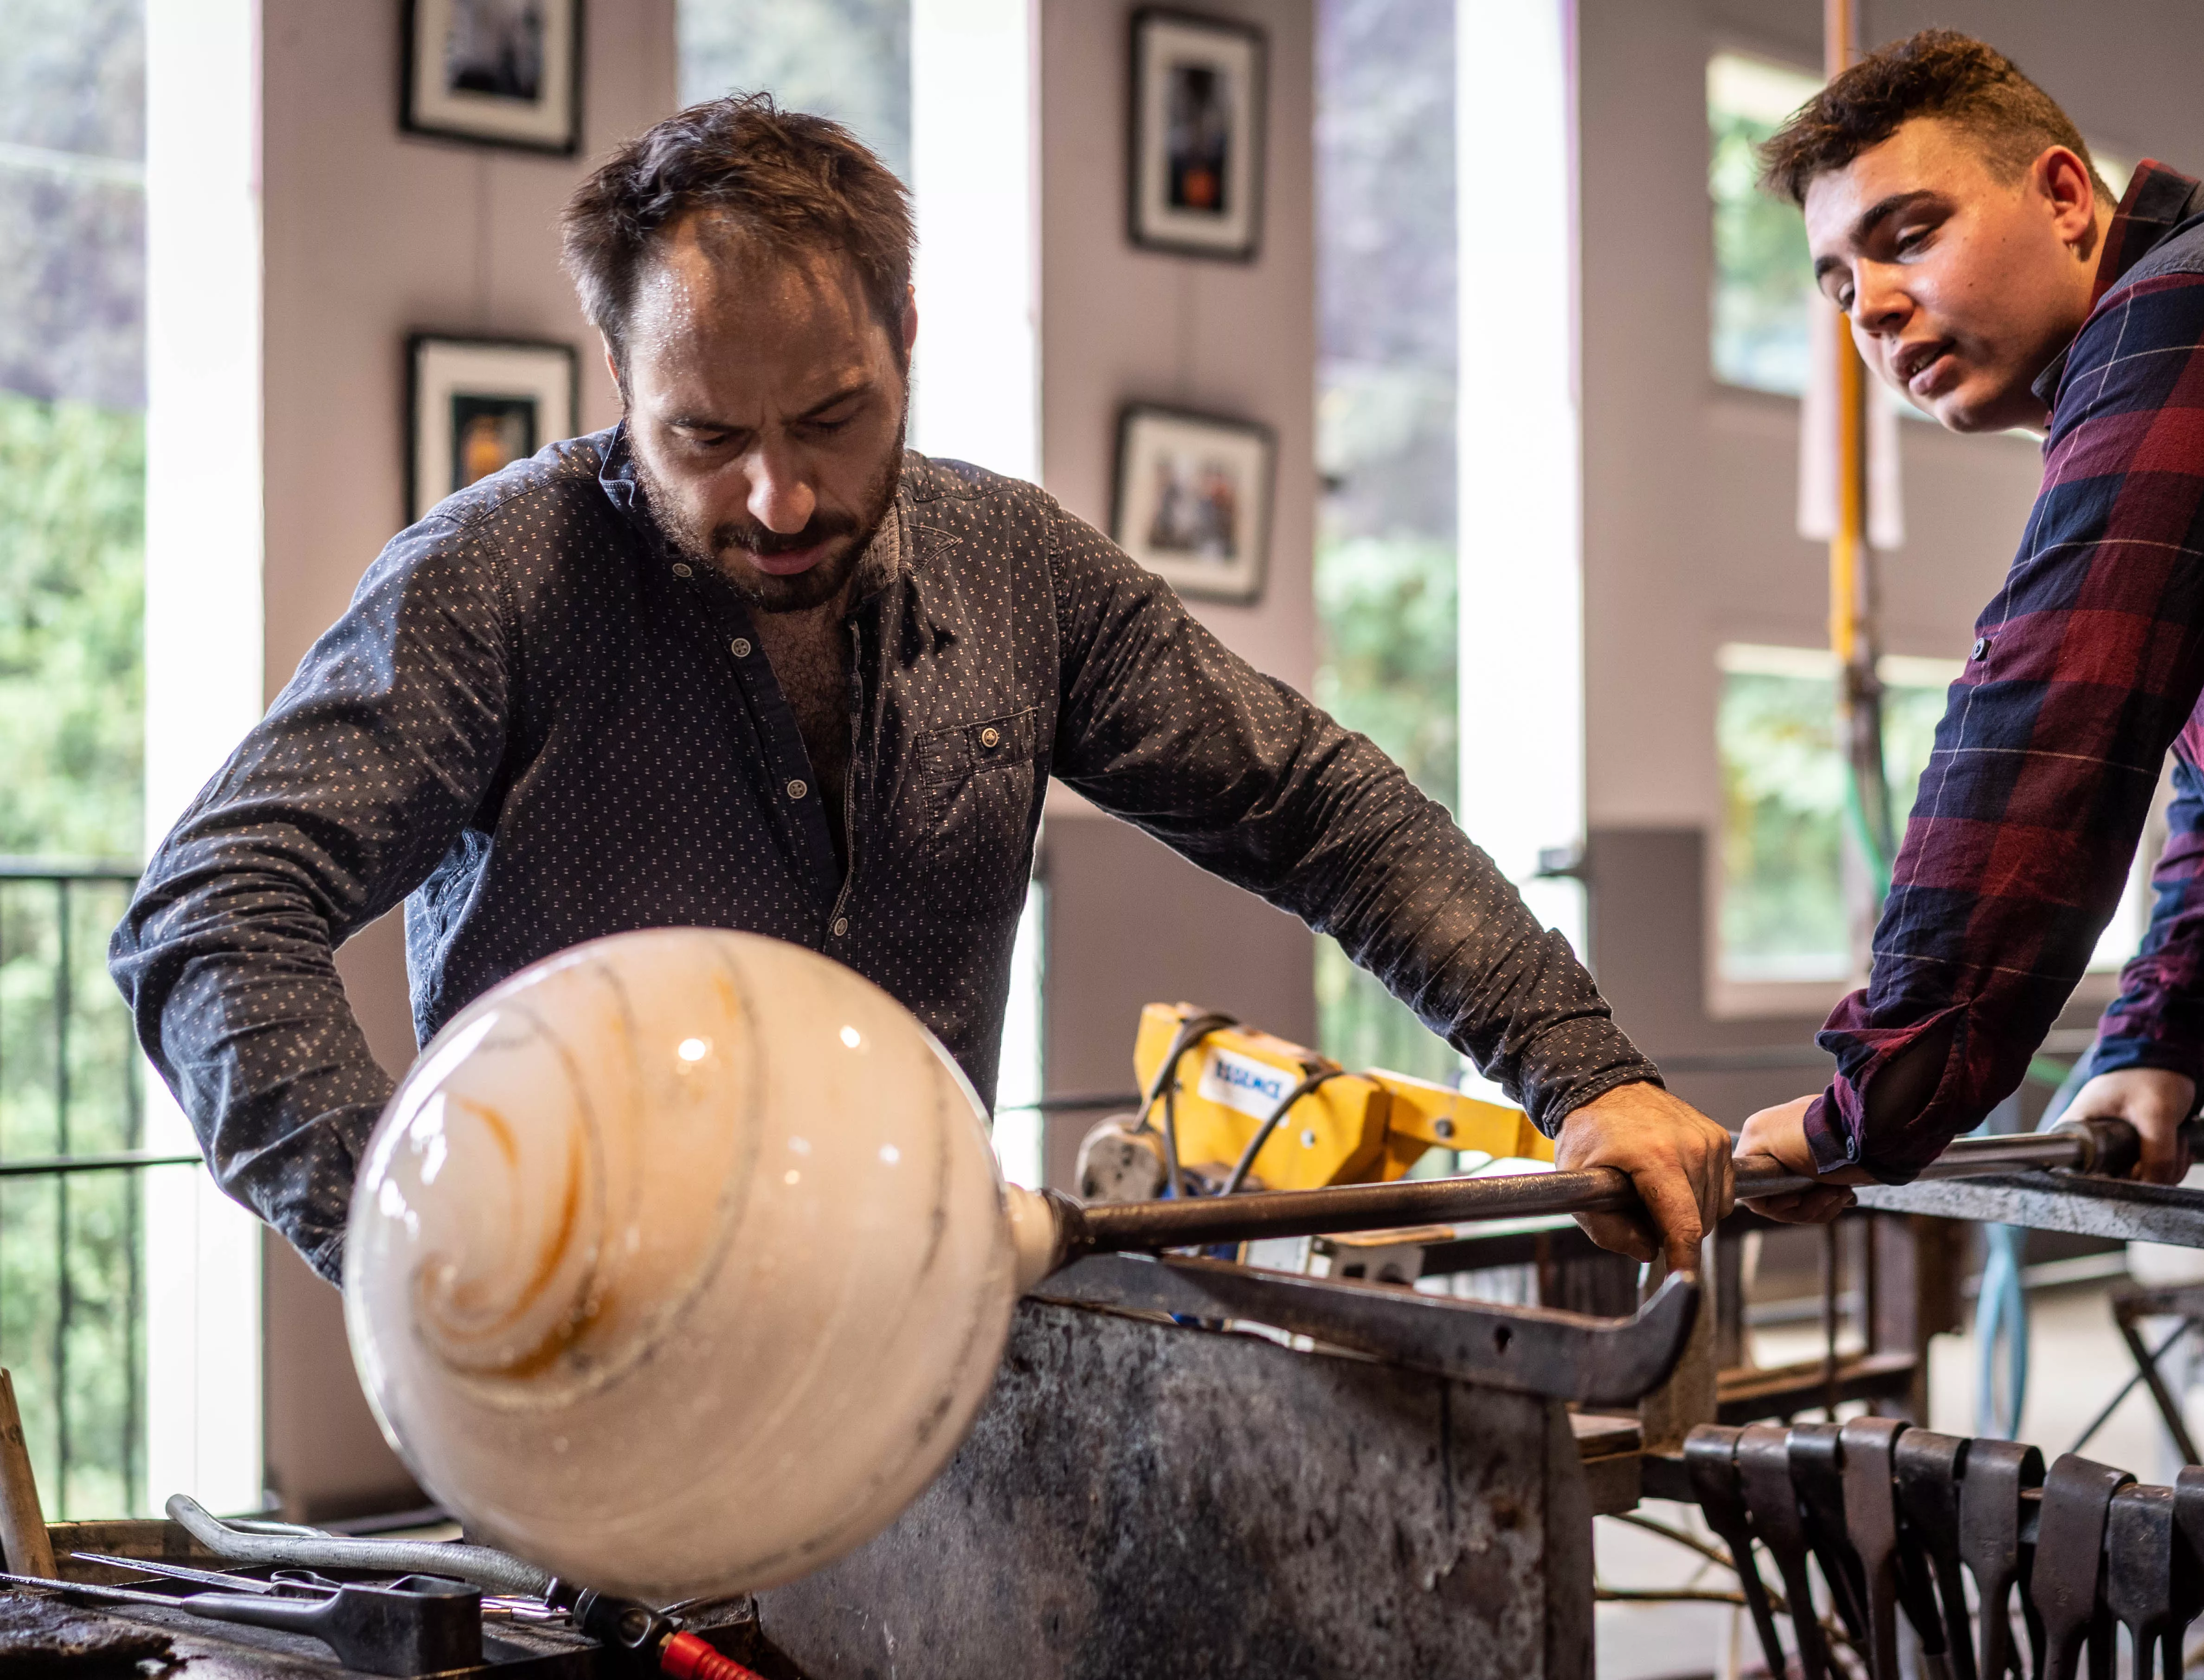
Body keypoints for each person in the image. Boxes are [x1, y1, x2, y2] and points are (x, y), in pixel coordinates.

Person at [110, 96, 1732, 1287]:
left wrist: (1582, 1074)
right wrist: (406, 1241)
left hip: (923, 1355)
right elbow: (209, 908)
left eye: (829, 418)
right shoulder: (493, 582)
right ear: (619, 376)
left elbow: (1307, 805)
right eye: (705, 438)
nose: (778, 498)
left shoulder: (1017, 569)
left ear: (905, 335)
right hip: (574, 1387)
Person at [1727, 29, 2204, 1637]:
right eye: (1835, 283)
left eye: (1907, 234)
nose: (1872, 307)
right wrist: (2160, 1040)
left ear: (2067, 199)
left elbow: (2053, 707)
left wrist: (1871, 1100)